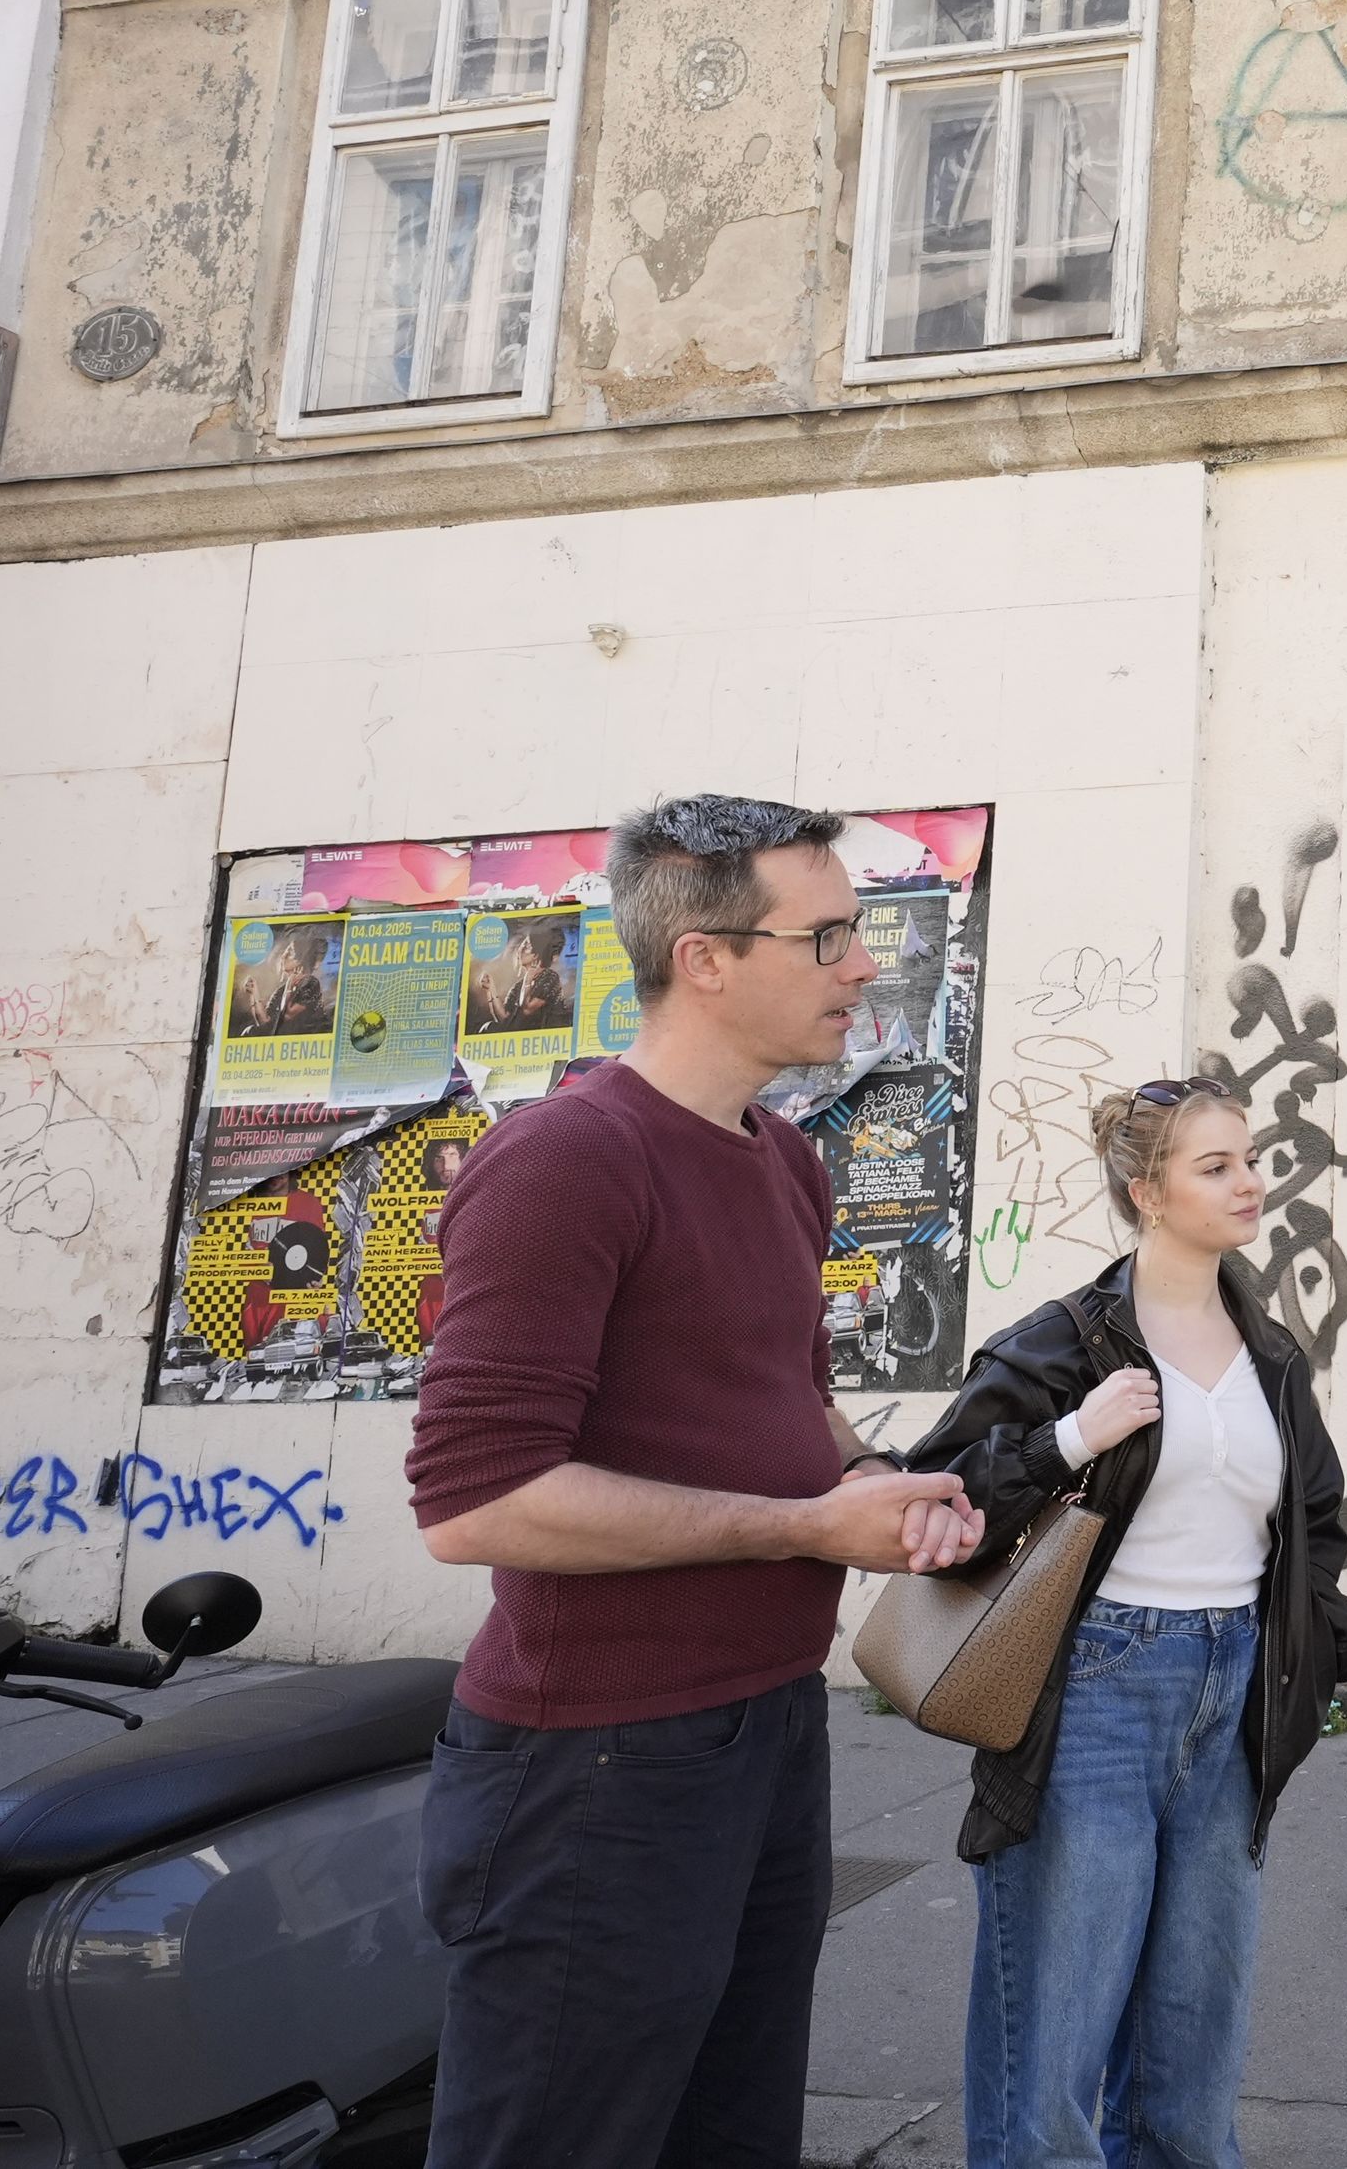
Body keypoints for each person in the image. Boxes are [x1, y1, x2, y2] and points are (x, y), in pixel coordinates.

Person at [408, 794, 985, 2169]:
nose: (864, 963)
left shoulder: (783, 1156)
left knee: (729, 2131)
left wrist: (883, 1479)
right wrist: (802, 1526)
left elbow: (782, 1394)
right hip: (594, 1764)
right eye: (830, 933)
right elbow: (475, 1501)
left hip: (764, 1727)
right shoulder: (564, 1160)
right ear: (707, 958)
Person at [911, 1076, 1347, 2169]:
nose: (1249, 1181)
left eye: (1248, 1158)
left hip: (1235, 1689)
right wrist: (1068, 1437)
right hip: (1099, 1690)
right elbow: (933, 1495)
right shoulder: (1069, 1340)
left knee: (1196, 2018)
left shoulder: (1269, 1350)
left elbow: (1312, 1516)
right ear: (1146, 1193)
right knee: (1061, 2013)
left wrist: (1310, 1660)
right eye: (1216, 1166)